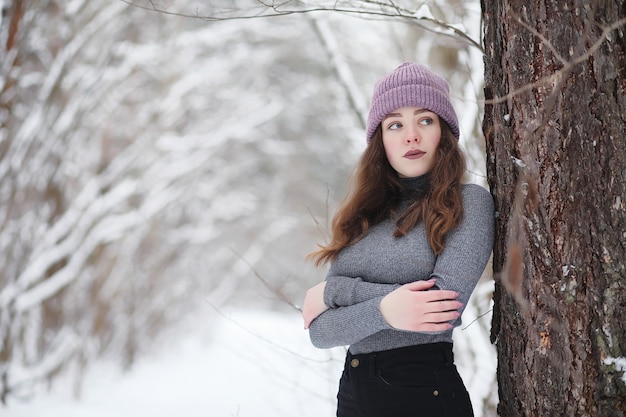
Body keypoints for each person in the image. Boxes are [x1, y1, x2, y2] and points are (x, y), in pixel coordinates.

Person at [302, 62, 495, 417]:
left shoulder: (468, 203)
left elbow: (441, 308)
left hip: (423, 394)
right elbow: (321, 331)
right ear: (381, 141)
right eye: (395, 125)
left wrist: (337, 293)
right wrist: (385, 309)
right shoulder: (363, 216)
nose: (411, 136)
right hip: (354, 398)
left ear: (444, 132)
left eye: (425, 120)